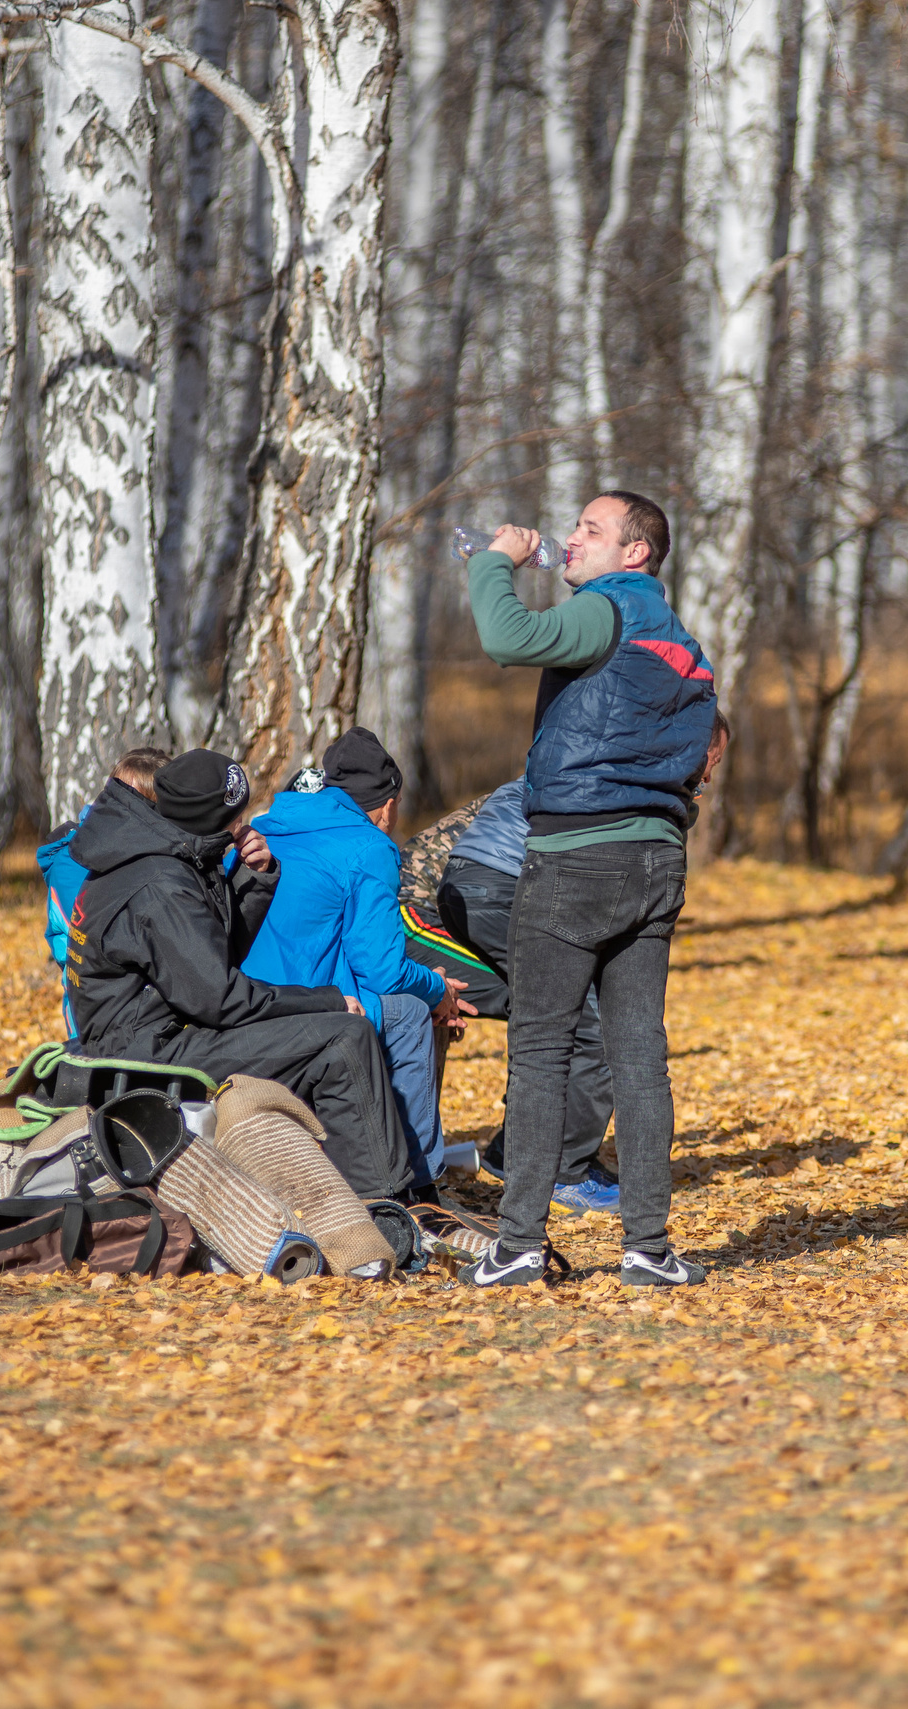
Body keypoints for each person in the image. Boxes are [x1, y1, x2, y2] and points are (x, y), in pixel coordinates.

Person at [458, 492, 717, 1288]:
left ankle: (520, 1245)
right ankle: (650, 1247)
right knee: (639, 1056)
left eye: (592, 530)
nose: (572, 540)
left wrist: (493, 562)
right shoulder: (685, 646)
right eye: (573, 528)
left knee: (539, 1050)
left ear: (635, 553)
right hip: (658, 859)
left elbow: (509, 636)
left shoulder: (608, 611)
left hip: (575, 858)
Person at [65, 749, 418, 1203]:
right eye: (235, 818)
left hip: (161, 1029)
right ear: (207, 819)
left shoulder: (153, 846)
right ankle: (386, 1205)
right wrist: (327, 999)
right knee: (344, 1038)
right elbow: (222, 998)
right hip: (146, 1054)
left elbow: (211, 956)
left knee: (327, 1034)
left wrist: (257, 877)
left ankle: (334, 1189)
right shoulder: (159, 883)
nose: (242, 827)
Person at [240, 728, 466, 1188]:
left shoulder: (266, 826)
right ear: (386, 805)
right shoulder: (369, 847)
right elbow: (381, 970)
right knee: (409, 1012)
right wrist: (439, 987)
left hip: (244, 1003)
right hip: (305, 1010)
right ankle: (417, 1185)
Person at [400, 776, 622, 1213]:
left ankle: (523, 1152)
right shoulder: (573, 781)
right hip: (416, 910)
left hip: (465, 908)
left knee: (557, 1005)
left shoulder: (574, 773)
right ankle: (554, 1167)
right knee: (559, 1006)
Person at [38, 746, 169, 1037]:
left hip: (147, 1010)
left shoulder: (151, 852)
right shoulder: (73, 861)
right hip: (98, 1017)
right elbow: (99, 936)